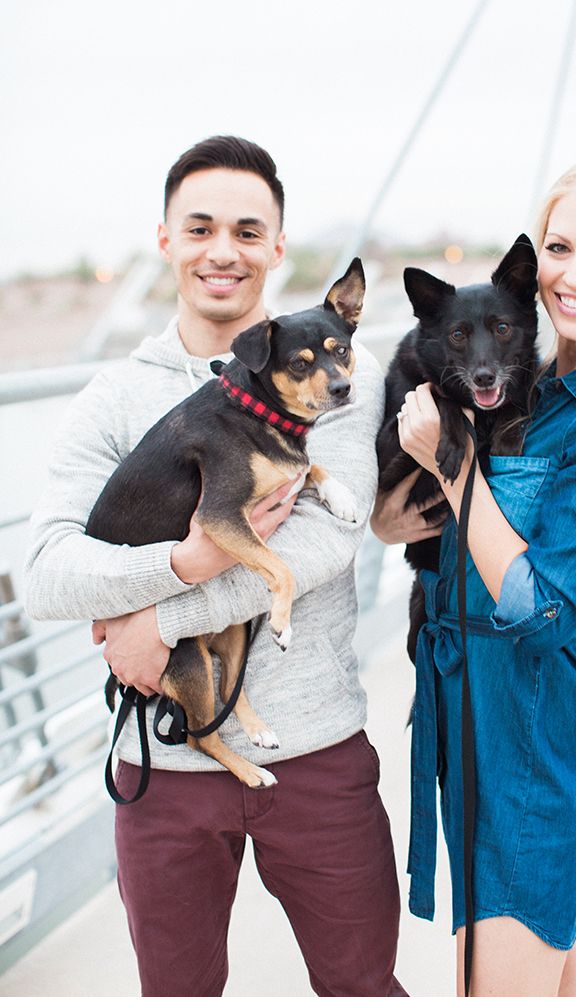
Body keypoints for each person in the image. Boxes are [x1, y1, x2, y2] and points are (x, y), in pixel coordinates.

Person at [25, 135, 409, 997]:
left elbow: (323, 541)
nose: (223, 250)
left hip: (316, 750)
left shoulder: (342, 373)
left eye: (247, 229)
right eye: (200, 227)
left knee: (365, 988)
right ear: (165, 239)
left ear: (278, 246)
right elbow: (48, 571)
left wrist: (159, 620)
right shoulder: (114, 396)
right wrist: (186, 557)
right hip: (163, 766)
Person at [371, 154, 576, 997]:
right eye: (560, 246)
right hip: (478, 724)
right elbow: (427, 529)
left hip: (533, 745)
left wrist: (450, 467)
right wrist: (389, 513)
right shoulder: (538, 387)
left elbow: (543, 607)